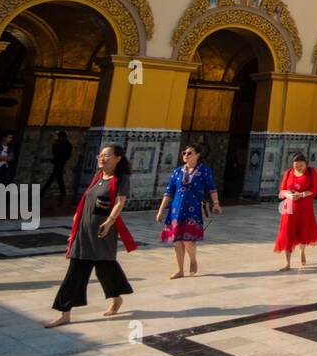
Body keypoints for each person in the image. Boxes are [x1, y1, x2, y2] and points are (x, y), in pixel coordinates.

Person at [44, 144, 137, 327]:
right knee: (75, 272)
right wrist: (76, 224)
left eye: (107, 155)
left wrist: (110, 221)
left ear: (118, 158)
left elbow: (120, 201)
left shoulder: (121, 179)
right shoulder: (98, 177)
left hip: (103, 232)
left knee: (105, 267)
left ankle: (115, 297)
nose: (101, 158)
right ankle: (65, 313)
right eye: (100, 155)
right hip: (84, 232)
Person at [155, 145, 221, 279]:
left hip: (193, 209)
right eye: (184, 152)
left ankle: (193, 260)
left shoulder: (204, 170)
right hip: (176, 209)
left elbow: (212, 188)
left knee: (188, 240)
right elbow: (168, 192)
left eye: (189, 153)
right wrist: (161, 210)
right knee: (177, 241)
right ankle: (180, 270)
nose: (186, 155)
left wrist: (216, 203)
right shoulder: (178, 171)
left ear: (197, 155)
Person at [275, 153, 317, 269]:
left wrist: (301, 194)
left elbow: (314, 190)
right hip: (289, 207)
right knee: (287, 232)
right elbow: (282, 190)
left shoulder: (312, 172)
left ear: (306, 164)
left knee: (302, 230)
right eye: (296, 166)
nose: (298, 168)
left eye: (301, 166)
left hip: (305, 207)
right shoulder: (289, 172)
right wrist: (289, 195)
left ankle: (302, 251)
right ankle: (287, 263)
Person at [44, 130, 73, 199]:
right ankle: (63, 193)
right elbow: (54, 152)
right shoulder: (59, 143)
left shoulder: (67, 145)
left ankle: (42, 192)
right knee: (59, 178)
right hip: (57, 162)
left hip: (60, 163)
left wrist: (61, 159)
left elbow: (66, 155)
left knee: (53, 178)